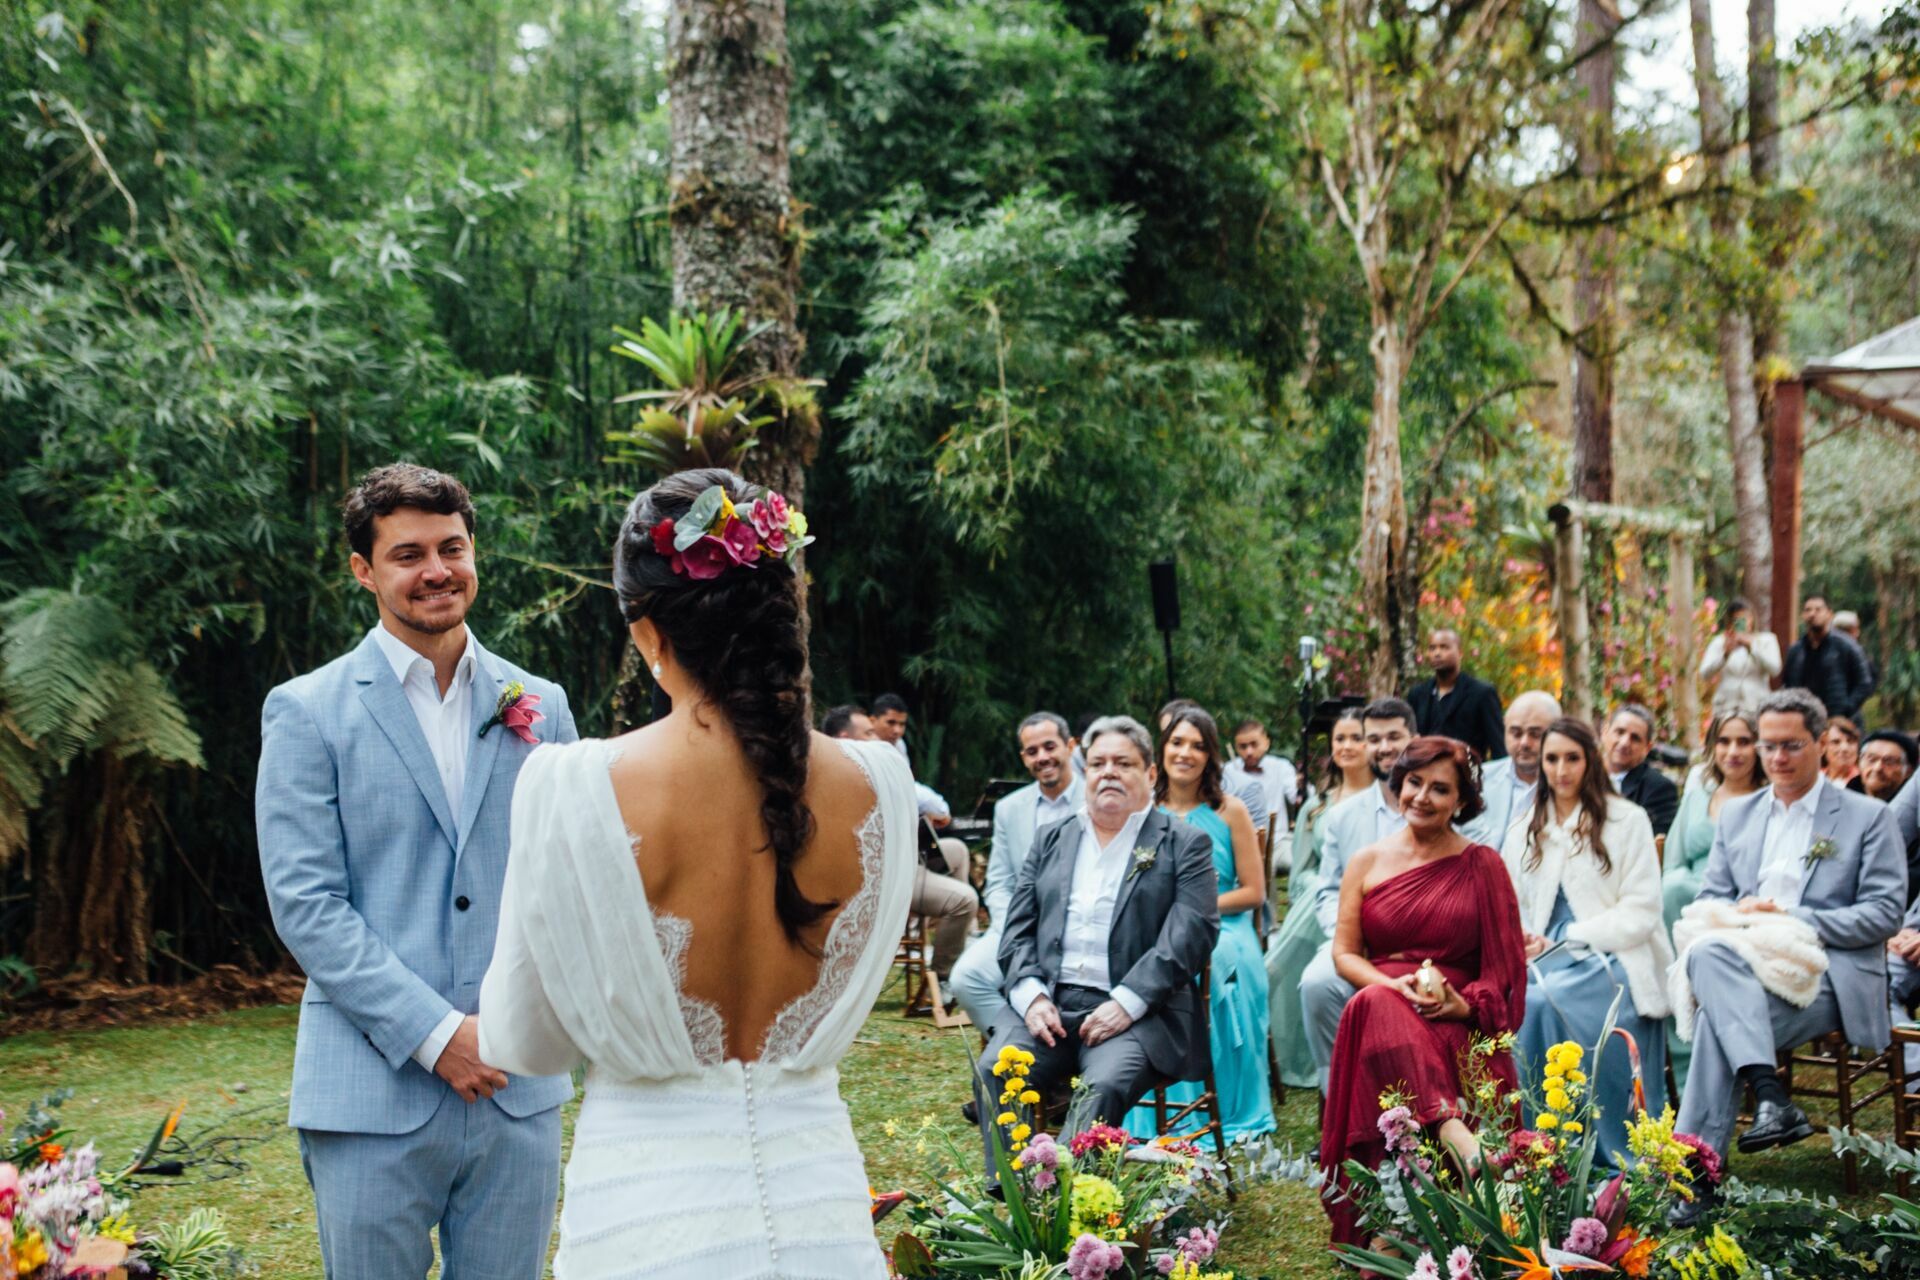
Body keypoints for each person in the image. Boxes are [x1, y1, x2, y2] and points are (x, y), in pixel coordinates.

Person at [476, 469, 918, 1278]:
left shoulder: (567, 785)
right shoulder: (883, 783)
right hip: (822, 1215)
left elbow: (523, 1040)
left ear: (648, 632)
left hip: (646, 1220)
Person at [257, 464, 579, 1278]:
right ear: (363, 570)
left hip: (518, 1089)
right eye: (408, 554)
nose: (436, 570)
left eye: (452, 547)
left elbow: (568, 878)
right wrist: (439, 1039)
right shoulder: (306, 710)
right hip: (370, 1094)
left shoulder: (540, 702)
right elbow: (308, 905)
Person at [1668, 689, 1905, 1227]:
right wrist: (1740, 916)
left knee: (1716, 1022)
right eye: (1767, 745)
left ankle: (1695, 1176)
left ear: (1822, 743)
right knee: (1709, 951)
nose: (1776, 758)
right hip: (1745, 960)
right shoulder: (1738, 816)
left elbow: (1885, 914)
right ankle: (1770, 1096)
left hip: (1830, 971)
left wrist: (1791, 916)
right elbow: (1709, 898)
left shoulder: (1867, 817)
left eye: (1790, 745)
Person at [974, 716, 1219, 1175]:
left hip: (1138, 1014)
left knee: (1100, 1086)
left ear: (1150, 774)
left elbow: (1192, 933)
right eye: (1099, 762)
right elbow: (1017, 929)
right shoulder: (1052, 839)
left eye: (1123, 763)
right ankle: (1017, 1202)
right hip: (1050, 1004)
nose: (1108, 772)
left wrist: (1128, 1003)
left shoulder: (1183, 843)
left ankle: (1062, 1197)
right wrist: (1031, 996)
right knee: (996, 1070)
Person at [1320, 736, 1525, 1247]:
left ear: (1461, 801)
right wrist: (1392, 985)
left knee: (1374, 1011)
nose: (1423, 797)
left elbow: (1505, 970)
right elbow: (1344, 954)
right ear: (1398, 785)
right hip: (1383, 1000)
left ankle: (1402, 1222)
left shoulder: (1484, 866)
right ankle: (1451, 1133)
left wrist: (1462, 1003)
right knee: (1371, 1003)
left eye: (1440, 789)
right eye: (1414, 783)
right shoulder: (1365, 862)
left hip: (1452, 1016)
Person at [1502, 718, 1673, 1167]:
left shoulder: (1626, 820)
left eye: (1572, 758)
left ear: (1589, 760)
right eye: (1552, 759)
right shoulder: (1524, 827)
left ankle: (1605, 1148)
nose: (1561, 770)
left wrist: (1575, 936)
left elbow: (1642, 910)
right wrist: (1520, 937)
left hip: (1615, 953)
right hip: (1541, 953)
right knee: (1527, 997)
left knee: (1543, 1000)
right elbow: (1509, 902)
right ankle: (1541, 1146)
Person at [1124, 707, 1275, 1145]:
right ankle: (1140, 1099)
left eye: (1198, 745)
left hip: (1226, 929)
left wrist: (1193, 907)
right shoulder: (1142, 812)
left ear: (1211, 755)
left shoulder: (1230, 811)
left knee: (1191, 962)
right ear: (1162, 749)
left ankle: (1216, 1106)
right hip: (1157, 928)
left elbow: (1253, 893)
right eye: (1177, 743)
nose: (1186, 753)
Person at [1298, 697, 1417, 1090]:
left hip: (1423, 947)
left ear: (1413, 738)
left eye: (1393, 737)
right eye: (1374, 739)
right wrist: (1347, 937)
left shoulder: (1434, 803)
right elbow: (1328, 889)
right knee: (1317, 983)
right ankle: (1343, 1103)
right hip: (1354, 941)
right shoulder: (1342, 816)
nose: (1383, 747)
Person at [948, 712, 1086, 1034]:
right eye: (1032, 751)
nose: (1043, 757)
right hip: (1018, 927)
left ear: (1070, 746)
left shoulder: (1096, 799)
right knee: (965, 978)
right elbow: (998, 881)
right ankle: (1022, 1049)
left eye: (1050, 747)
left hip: (1080, 927)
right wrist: (1011, 926)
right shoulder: (1009, 808)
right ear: (1023, 757)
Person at [829, 704, 976, 987]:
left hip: (904, 860)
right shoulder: (853, 774)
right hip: (885, 876)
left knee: (957, 850)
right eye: (870, 732)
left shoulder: (877, 762)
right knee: (965, 900)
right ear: (845, 739)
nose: (879, 738)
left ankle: (960, 939)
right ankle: (942, 978)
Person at [1265, 710, 1371, 1091]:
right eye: (1339, 739)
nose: (1346, 746)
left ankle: (1274, 965)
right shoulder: (1316, 807)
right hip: (1320, 906)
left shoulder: (1388, 801)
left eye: (1355, 738)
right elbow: (1300, 875)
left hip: (1369, 906)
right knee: (1321, 889)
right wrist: (1335, 887)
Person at [1665, 711, 1767, 933]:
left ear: (1758, 747)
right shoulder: (1698, 796)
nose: (1733, 752)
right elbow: (1673, 861)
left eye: (1743, 742)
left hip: (1745, 904)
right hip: (1688, 900)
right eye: (1724, 741)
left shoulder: (1769, 801)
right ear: (1713, 746)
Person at [1463, 690, 1562, 848]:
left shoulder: (1568, 785)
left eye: (1535, 734)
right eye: (1516, 733)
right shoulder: (1478, 778)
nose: (1524, 742)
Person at [1404, 628, 1506, 762]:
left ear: (1460, 653)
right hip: (1425, 773)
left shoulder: (1482, 693)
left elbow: (1498, 746)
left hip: (1467, 775)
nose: (1437, 653)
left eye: (1444, 647)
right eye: (1432, 648)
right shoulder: (1417, 694)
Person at [1782, 594, 1875, 723]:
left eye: (1818, 609)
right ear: (1802, 616)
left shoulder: (1846, 645)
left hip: (1841, 720)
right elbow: (1788, 685)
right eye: (1808, 610)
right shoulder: (1796, 651)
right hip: (1806, 721)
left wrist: (1846, 710)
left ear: (1829, 614)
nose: (1812, 614)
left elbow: (1865, 683)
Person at [1697, 597, 1782, 718]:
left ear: (1752, 618)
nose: (1742, 622)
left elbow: (1775, 669)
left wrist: (1752, 648)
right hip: (1726, 709)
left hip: (1756, 708)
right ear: (1730, 622)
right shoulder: (1719, 642)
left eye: (1745, 618)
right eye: (1736, 619)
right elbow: (1704, 674)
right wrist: (1725, 655)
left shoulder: (1766, 640)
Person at [1603, 705, 1680, 837]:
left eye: (1635, 738)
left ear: (1647, 748)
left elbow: (1653, 843)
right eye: (1619, 732)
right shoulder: (1583, 775)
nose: (1625, 742)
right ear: (1604, 732)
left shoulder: (1660, 790)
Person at [1225, 718, 1299, 843]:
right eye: (1243, 747)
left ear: (1266, 743)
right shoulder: (1228, 770)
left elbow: (1296, 797)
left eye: (1254, 744)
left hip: (1277, 841)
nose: (1249, 752)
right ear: (1236, 748)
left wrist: (1302, 788)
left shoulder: (1281, 766)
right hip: (1238, 841)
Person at [1855, 730, 1917, 802]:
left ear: (1908, 771)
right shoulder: (1843, 801)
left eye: (1889, 762)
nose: (1877, 768)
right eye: (1871, 759)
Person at [872, 692, 913, 764]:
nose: (897, 731)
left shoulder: (899, 743)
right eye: (891, 723)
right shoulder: (860, 746)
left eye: (902, 724)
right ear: (873, 720)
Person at [1823, 715, 1862, 786]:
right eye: (1836, 742)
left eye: (1850, 741)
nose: (1844, 748)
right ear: (1823, 746)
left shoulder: (1864, 782)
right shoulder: (1812, 780)